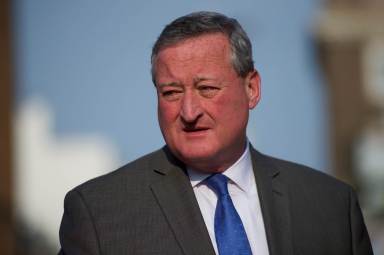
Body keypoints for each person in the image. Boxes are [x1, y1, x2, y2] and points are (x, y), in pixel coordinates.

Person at [58, 11, 373, 255]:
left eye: (206, 88)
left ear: (251, 88)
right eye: (171, 93)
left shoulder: (330, 206)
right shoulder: (100, 213)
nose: (189, 112)